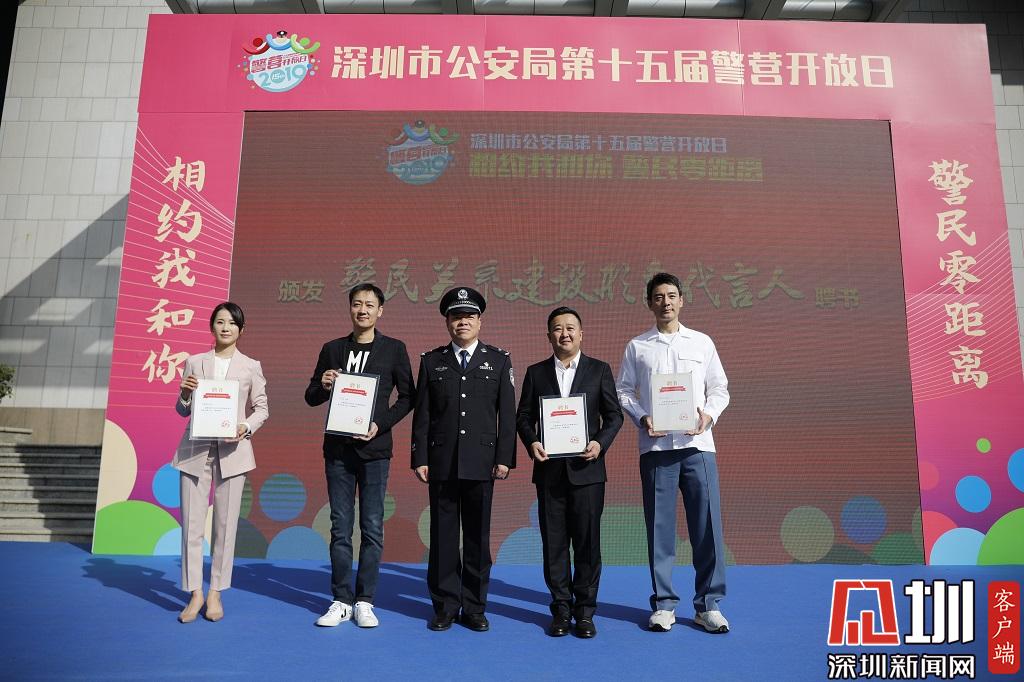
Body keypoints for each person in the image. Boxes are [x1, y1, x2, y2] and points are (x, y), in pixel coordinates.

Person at [616, 272, 731, 634]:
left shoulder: (702, 343)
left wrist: (708, 416)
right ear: (649, 303)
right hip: (656, 448)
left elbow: (720, 389)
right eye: (658, 297)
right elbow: (623, 392)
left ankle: (708, 605)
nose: (665, 302)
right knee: (660, 529)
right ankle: (664, 604)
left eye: (671, 296)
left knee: (707, 527)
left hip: (697, 446)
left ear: (681, 300)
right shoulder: (638, 346)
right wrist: (643, 417)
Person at [304, 283, 415, 628]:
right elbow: (311, 396)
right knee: (340, 527)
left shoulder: (394, 349)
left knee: (372, 527)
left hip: (374, 451)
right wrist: (323, 385)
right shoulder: (332, 349)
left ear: (380, 311)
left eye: (369, 305)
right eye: (356, 304)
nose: (362, 310)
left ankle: (365, 600)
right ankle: (341, 599)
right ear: (350, 308)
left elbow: (408, 397)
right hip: (338, 452)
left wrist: (380, 425)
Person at [411, 286, 515, 632]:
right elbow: (423, 415)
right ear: (447, 322)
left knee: (477, 539)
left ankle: (474, 607)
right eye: (456, 316)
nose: (463, 322)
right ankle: (444, 606)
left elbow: (507, 415)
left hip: (482, 462)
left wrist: (504, 457)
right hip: (441, 461)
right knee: (442, 539)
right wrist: (420, 457)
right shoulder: (432, 361)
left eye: (469, 316)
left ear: (480, 321)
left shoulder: (498, 360)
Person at [515, 306, 623, 639]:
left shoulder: (599, 370)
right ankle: (561, 609)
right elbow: (523, 416)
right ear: (549, 335)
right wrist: (532, 441)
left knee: (588, 544)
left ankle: (585, 612)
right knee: (555, 544)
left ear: (581, 333)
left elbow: (614, 416)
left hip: (588, 471)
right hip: (550, 472)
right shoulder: (536, 373)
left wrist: (599, 443)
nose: (565, 333)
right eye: (558, 328)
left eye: (570, 328)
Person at [174, 302, 269, 623]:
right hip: (195, 451)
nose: (225, 327)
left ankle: (215, 592)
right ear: (211, 326)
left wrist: (246, 426)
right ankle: (194, 593)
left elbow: (262, 408)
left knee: (225, 527)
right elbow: (182, 410)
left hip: (233, 452)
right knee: (192, 525)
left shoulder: (251, 366)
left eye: (232, 323)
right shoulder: (194, 362)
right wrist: (185, 395)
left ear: (241, 329)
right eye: (220, 322)